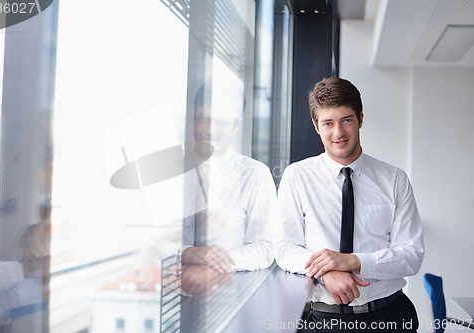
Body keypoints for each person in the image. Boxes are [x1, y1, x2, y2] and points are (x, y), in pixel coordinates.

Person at [275, 77, 424, 332]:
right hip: (322, 320)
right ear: (316, 125)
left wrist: (353, 261)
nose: (338, 133)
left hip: (389, 316)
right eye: (328, 123)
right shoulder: (296, 176)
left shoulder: (394, 179)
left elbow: (411, 256)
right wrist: (325, 271)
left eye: (346, 120)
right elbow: (284, 248)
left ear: (361, 119)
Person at [180, 81, 275, 286]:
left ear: (236, 124)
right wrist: (188, 253)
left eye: (220, 122)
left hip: (228, 294)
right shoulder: (172, 172)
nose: (209, 130)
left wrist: (213, 264)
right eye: (203, 119)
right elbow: (151, 244)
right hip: (169, 290)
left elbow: (264, 249)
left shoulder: (255, 174)